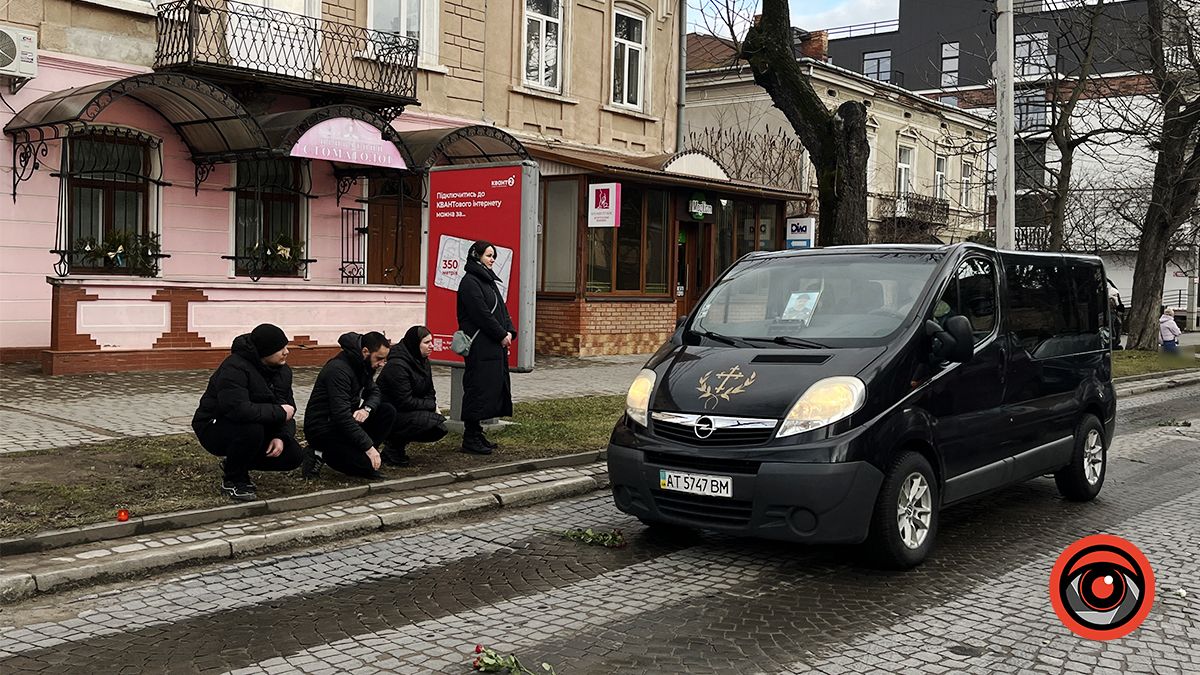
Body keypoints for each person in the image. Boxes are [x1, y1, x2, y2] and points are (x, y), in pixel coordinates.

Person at [191, 323, 305, 502]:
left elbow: (287, 409)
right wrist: (280, 413)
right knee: (251, 429)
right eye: (280, 348)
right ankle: (234, 480)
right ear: (264, 352)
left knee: (293, 456)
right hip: (215, 426)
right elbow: (237, 410)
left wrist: (280, 436)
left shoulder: (283, 371)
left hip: (256, 425)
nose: (286, 352)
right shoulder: (234, 368)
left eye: (286, 346)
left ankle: (234, 462)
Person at [303, 331, 397, 479]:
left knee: (387, 411)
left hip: (344, 425)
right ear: (365, 351)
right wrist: (368, 447)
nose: (382, 364)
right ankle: (317, 452)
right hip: (324, 429)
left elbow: (375, 392)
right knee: (365, 467)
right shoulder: (338, 370)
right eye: (379, 358)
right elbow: (341, 415)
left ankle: (361, 452)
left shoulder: (363, 365)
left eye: (385, 359)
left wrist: (366, 409)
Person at [456, 240, 516, 455]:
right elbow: (481, 314)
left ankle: (477, 432)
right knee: (478, 389)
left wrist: (509, 331)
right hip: (480, 346)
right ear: (477, 255)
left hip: (493, 346)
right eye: (489, 256)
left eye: (493, 257)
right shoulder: (470, 282)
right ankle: (470, 437)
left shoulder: (487, 281)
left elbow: (502, 310)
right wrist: (501, 334)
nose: (492, 260)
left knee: (489, 388)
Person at [377, 325, 449, 466]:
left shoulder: (422, 361)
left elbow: (430, 390)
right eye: (427, 343)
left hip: (407, 409)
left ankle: (397, 447)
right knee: (429, 423)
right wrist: (430, 405)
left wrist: (430, 403)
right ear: (415, 344)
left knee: (438, 425)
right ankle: (392, 448)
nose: (431, 346)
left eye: (431, 342)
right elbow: (404, 401)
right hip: (388, 413)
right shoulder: (397, 365)